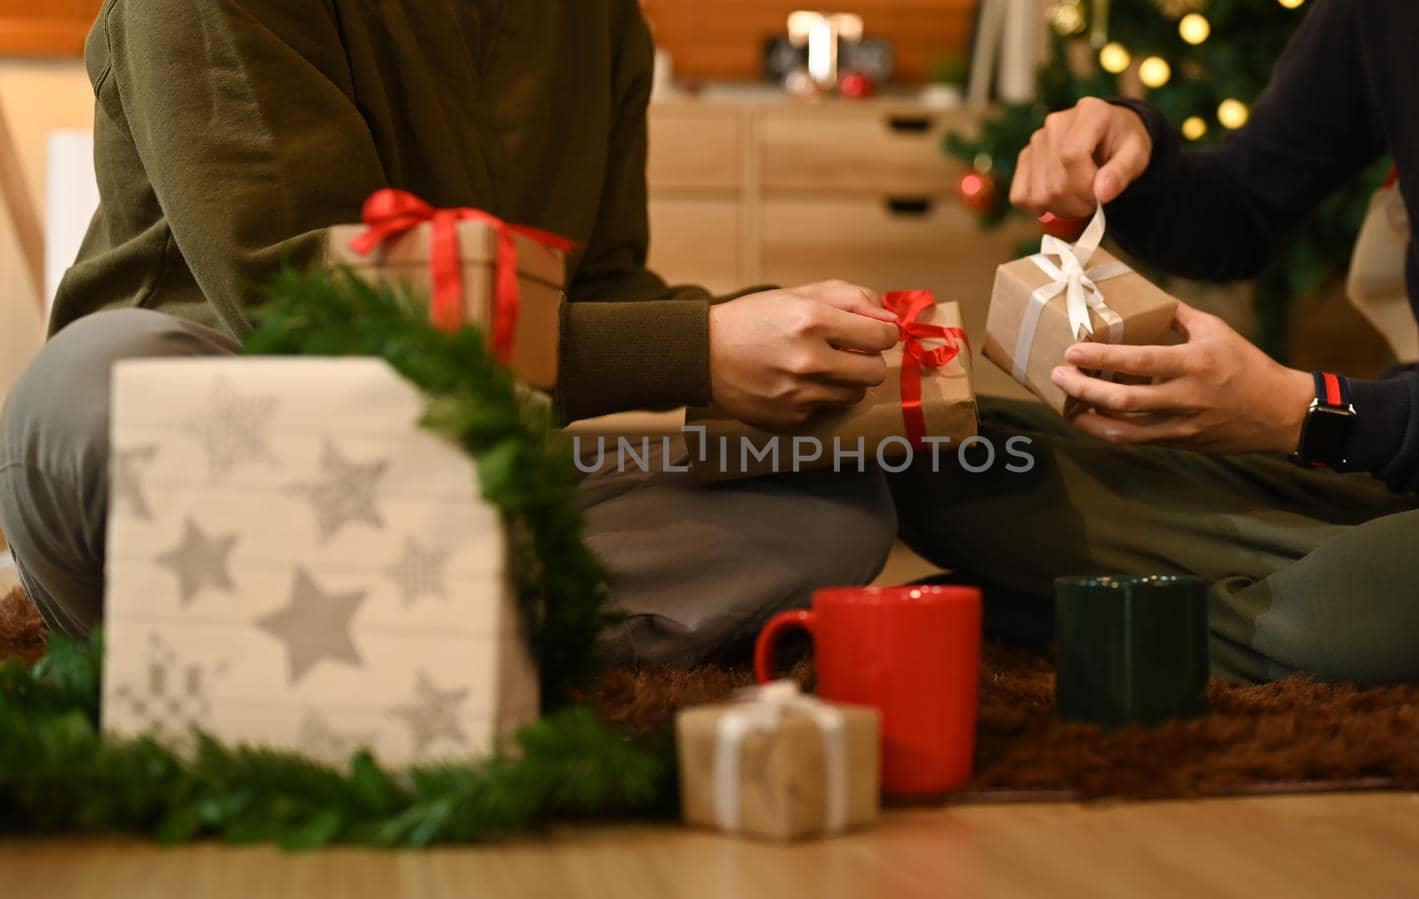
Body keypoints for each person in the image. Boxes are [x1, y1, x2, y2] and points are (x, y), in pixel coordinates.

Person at [0, 0, 899, 666]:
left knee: (829, 517)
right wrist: (697, 349)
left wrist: (796, 333)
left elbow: (603, 286)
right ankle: (445, 630)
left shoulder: (601, 23)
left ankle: (342, 639)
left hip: (454, 467)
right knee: (87, 388)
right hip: (226, 432)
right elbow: (295, 306)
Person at [892, 0, 1419, 706]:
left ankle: (1083, 612)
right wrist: (1130, 146)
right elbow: (1241, 208)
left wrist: (1310, 413)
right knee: (938, 453)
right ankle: (1340, 597)